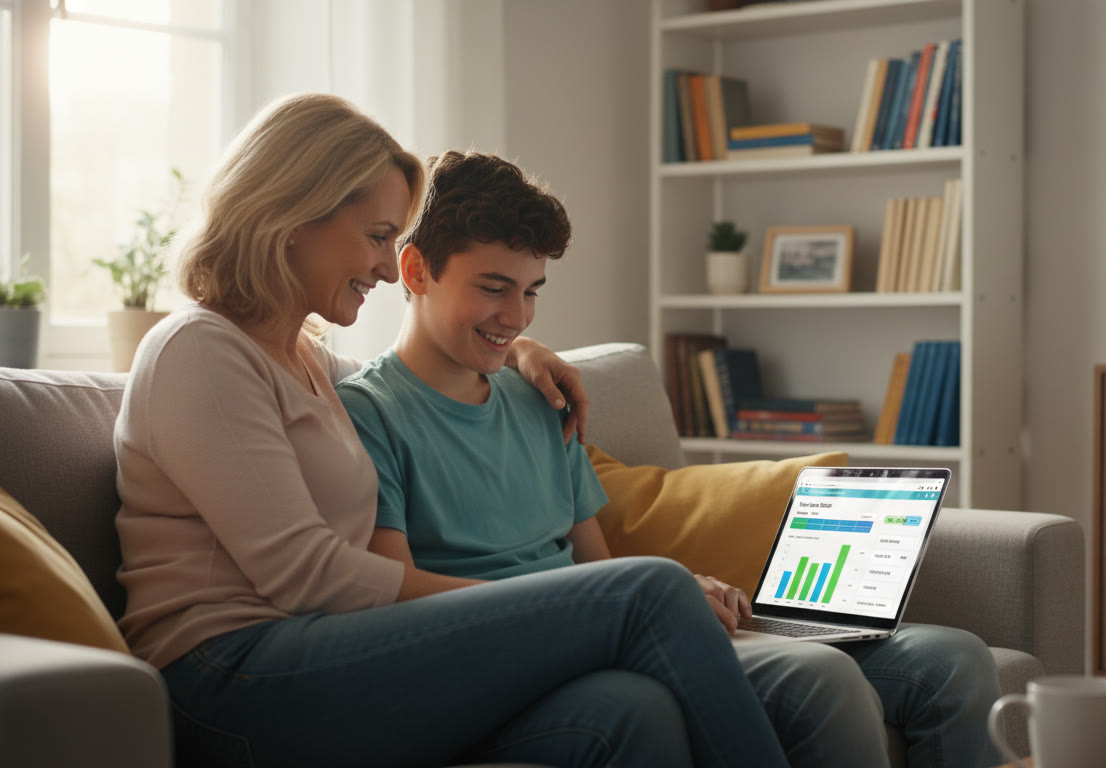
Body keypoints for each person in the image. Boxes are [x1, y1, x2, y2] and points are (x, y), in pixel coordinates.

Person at [112, 92, 816, 768]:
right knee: (648, 590)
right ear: (294, 214)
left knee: (628, 709)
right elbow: (306, 576)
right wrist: (551, 605)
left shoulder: (301, 357)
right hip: (233, 680)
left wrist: (521, 350)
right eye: (380, 238)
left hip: (315, 652)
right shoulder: (199, 351)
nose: (390, 269)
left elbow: (413, 376)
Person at [336, 150, 1003, 768]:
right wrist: (620, 605)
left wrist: (683, 586)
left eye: (532, 291)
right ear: (416, 269)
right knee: (821, 681)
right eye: (494, 287)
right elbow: (397, 600)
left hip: (623, 628)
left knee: (954, 660)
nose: (518, 317)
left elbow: (599, 568)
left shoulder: (543, 401)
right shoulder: (370, 414)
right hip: (533, 655)